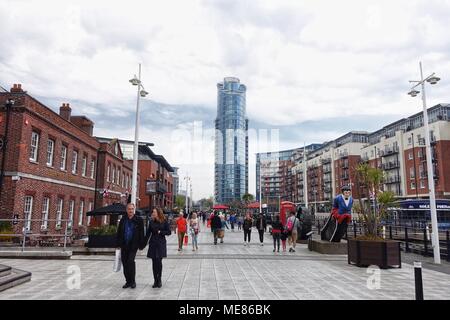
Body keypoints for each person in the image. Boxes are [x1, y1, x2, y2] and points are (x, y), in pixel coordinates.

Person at [116, 203, 145, 289]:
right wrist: (118, 244)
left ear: (134, 209)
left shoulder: (138, 220)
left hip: (133, 245)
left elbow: (141, 233)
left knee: (130, 261)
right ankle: (128, 281)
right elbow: (119, 232)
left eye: (132, 209)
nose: (130, 210)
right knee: (125, 263)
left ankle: (133, 281)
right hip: (124, 244)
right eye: (129, 209)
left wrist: (141, 245)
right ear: (126, 210)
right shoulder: (123, 220)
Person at [143, 207, 171, 288]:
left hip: (161, 244)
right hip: (153, 244)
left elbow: (169, 232)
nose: (153, 213)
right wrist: (142, 244)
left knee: (159, 262)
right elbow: (148, 234)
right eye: (152, 212)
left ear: (158, 213)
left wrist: (161, 232)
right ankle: (155, 280)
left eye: (154, 212)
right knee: (154, 263)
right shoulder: (151, 222)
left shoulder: (164, 221)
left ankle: (159, 279)